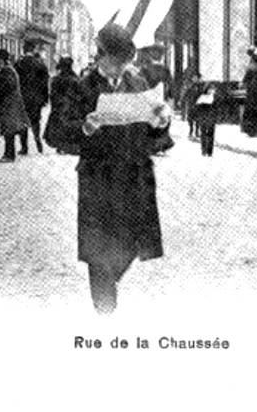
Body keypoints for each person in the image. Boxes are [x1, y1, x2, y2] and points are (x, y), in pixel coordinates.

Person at [55, 23, 170, 314]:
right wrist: (84, 127)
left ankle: (108, 282)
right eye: (116, 62)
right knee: (98, 249)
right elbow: (56, 131)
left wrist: (161, 122)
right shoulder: (81, 88)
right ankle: (104, 309)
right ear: (101, 56)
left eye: (125, 62)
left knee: (132, 242)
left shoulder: (138, 84)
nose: (121, 69)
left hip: (134, 176)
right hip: (99, 177)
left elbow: (154, 134)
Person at [0, 49, 30, 163]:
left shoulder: (7, 71)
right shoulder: (10, 70)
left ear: (3, 60)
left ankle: (9, 155)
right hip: (12, 103)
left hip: (9, 104)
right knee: (11, 129)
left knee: (8, 130)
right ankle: (10, 153)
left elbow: (7, 86)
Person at [138, 44, 174, 155]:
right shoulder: (164, 69)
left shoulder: (143, 69)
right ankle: (161, 146)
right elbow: (170, 85)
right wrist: (170, 98)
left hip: (148, 97)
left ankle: (151, 146)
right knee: (163, 121)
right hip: (160, 96)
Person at [14, 43, 50, 154]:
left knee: (23, 121)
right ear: (34, 49)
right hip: (36, 98)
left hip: (22, 98)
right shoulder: (40, 64)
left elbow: (15, 81)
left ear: (23, 50)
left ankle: (24, 148)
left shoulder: (19, 64)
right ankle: (38, 141)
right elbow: (45, 83)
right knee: (35, 121)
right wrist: (45, 98)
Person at [43, 56, 82, 155]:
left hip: (60, 107)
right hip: (71, 107)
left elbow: (52, 94)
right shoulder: (75, 78)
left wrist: (56, 103)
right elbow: (80, 94)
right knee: (68, 127)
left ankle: (61, 146)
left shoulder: (57, 79)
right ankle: (67, 146)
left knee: (59, 127)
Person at [192, 83, 218, 156]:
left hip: (212, 118)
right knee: (203, 134)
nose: (211, 91)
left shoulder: (215, 98)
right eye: (210, 89)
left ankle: (210, 152)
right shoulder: (202, 97)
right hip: (203, 118)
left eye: (212, 89)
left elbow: (217, 109)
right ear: (206, 89)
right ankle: (203, 151)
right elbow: (197, 108)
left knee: (211, 135)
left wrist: (216, 117)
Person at [182, 72, 203, 139]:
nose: (195, 79)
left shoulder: (201, 87)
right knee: (190, 119)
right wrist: (182, 100)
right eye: (194, 78)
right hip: (191, 104)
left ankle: (197, 132)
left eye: (197, 78)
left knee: (198, 119)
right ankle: (191, 131)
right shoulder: (190, 85)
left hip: (198, 105)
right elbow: (185, 94)